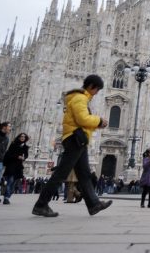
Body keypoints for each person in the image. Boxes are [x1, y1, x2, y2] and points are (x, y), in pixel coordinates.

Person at [31, 74, 112, 218]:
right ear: (91, 86)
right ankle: (41, 205)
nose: (97, 93)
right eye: (97, 89)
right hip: (75, 138)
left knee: (85, 174)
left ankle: (94, 204)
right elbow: (82, 119)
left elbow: (81, 121)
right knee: (61, 173)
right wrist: (99, 121)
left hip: (78, 139)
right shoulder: (80, 98)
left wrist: (96, 124)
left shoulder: (80, 98)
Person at [2, 132, 29, 204]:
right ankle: (6, 198)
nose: (22, 137)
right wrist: (17, 156)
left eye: (24, 137)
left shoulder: (25, 147)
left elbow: (26, 155)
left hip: (18, 166)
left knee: (13, 183)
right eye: (21, 136)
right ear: (19, 137)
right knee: (10, 181)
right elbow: (9, 153)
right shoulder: (13, 144)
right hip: (11, 164)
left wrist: (24, 158)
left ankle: (7, 195)